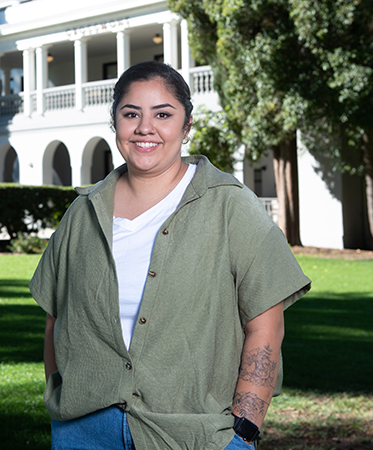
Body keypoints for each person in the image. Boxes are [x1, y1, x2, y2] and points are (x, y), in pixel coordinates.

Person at [29, 61, 311, 450]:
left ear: (187, 124)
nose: (146, 128)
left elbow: (266, 326)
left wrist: (244, 431)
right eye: (131, 114)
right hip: (83, 432)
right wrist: (60, 404)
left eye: (163, 114)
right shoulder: (83, 212)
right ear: (116, 124)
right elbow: (56, 320)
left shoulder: (230, 206)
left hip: (192, 436)